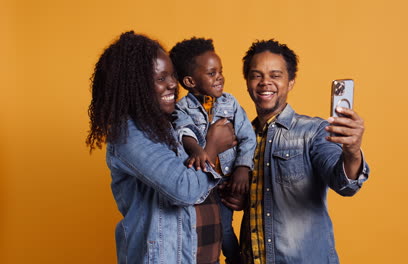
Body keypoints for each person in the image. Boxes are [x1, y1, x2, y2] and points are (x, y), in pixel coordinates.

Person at [86, 31, 237, 264]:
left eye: (172, 76)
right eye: (160, 78)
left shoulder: (173, 123)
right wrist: (213, 146)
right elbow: (183, 188)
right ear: (134, 86)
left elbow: (202, 180)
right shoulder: (129, 135)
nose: (172, 84)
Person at [222, 39, 370, 264]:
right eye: (257, 75)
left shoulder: (313, 132)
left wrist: (352, 151)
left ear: (290, 82)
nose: (265, 83)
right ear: (247, 82)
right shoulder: (239, 139)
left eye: (275, 75)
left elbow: (344, 183)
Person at [169, 37, 256, 264]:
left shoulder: (231, 104)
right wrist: (198, 148)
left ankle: (236, 259)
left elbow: (247, 137)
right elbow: (183, 131)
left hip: (227, 183)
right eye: (211, 73)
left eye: (220, 71)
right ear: (190, 81)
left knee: (224, 228)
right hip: (201, 186)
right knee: (207, 232)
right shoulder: (180, 108)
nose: (219, 77)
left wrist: (243, 169)